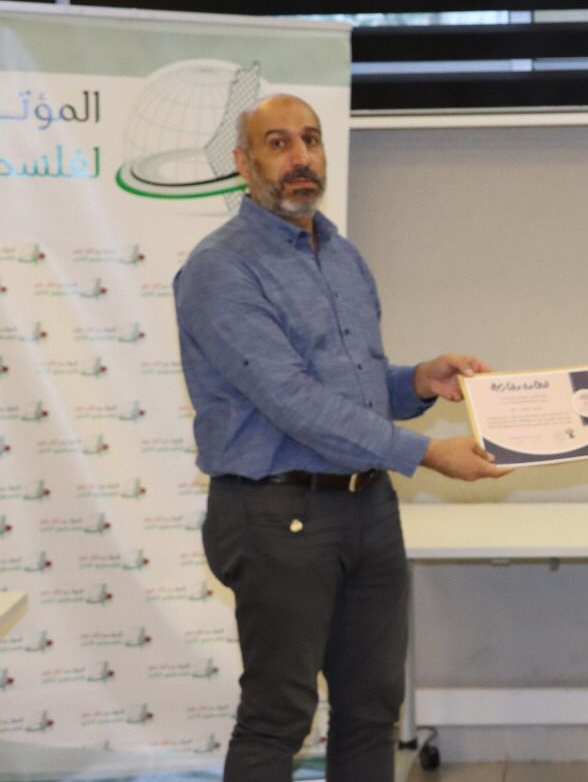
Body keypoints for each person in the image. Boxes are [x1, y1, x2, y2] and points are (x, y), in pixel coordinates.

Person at [174, 94, 508, 782]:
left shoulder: (343, 256)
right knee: (279, 714)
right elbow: (292, 400)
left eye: (312, 139)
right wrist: (425, 453)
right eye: (278, 143)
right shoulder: (221, 268)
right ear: (243, 164)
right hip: (276, 514)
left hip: (367, 509)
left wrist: (418, 381)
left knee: (372, 709)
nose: (301, 157)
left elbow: (352, 385)